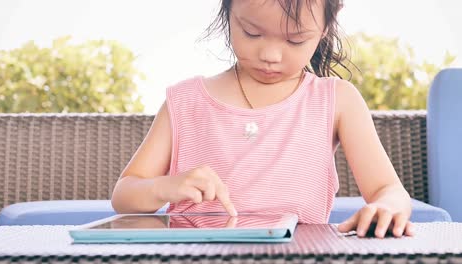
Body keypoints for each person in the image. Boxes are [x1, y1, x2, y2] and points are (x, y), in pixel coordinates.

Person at [111, 0, 414, 238]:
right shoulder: (185, 101)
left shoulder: (337, 100)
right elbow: (124, 195)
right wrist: (166, 187)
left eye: (295, 40)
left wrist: (386, 207)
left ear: (326, 26)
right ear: (228, 11)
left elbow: (389, 190)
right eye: (252, 32)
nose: (271, 54)